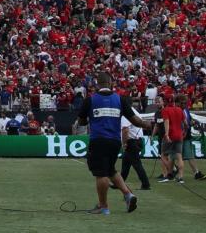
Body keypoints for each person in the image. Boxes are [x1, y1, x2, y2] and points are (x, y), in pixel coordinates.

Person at [76, 72, 145, 215]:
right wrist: (151, 125)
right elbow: (135, 121)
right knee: (111, 170)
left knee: (100, 174)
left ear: (97, 84)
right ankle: (128, 194)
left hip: (99, 139)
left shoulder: (90, 100)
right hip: (115, 141)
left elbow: (82, 122)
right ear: (111, 83)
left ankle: (103, 206)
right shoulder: (120, 99)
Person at [157, 94, 186, 184]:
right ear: (174, 101)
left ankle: (171, 172)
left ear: (165, 101)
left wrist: (166, 134)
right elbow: (185, 123)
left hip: (170, 135)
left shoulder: (165, 110)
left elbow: (167, 122)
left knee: (163, 155)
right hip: (179, 135)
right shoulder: (179, 109)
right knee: (179, 156)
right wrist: (184, 131)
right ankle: (180, 177)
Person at [120, 113, 151, 191]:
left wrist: (124, 143)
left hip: (132, 141)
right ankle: (119, 183)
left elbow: (125, 130)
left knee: (137, 164)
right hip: (137, 140)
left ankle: (146, 184)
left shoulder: (126, 115)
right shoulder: (135, 112)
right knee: (125, 163)